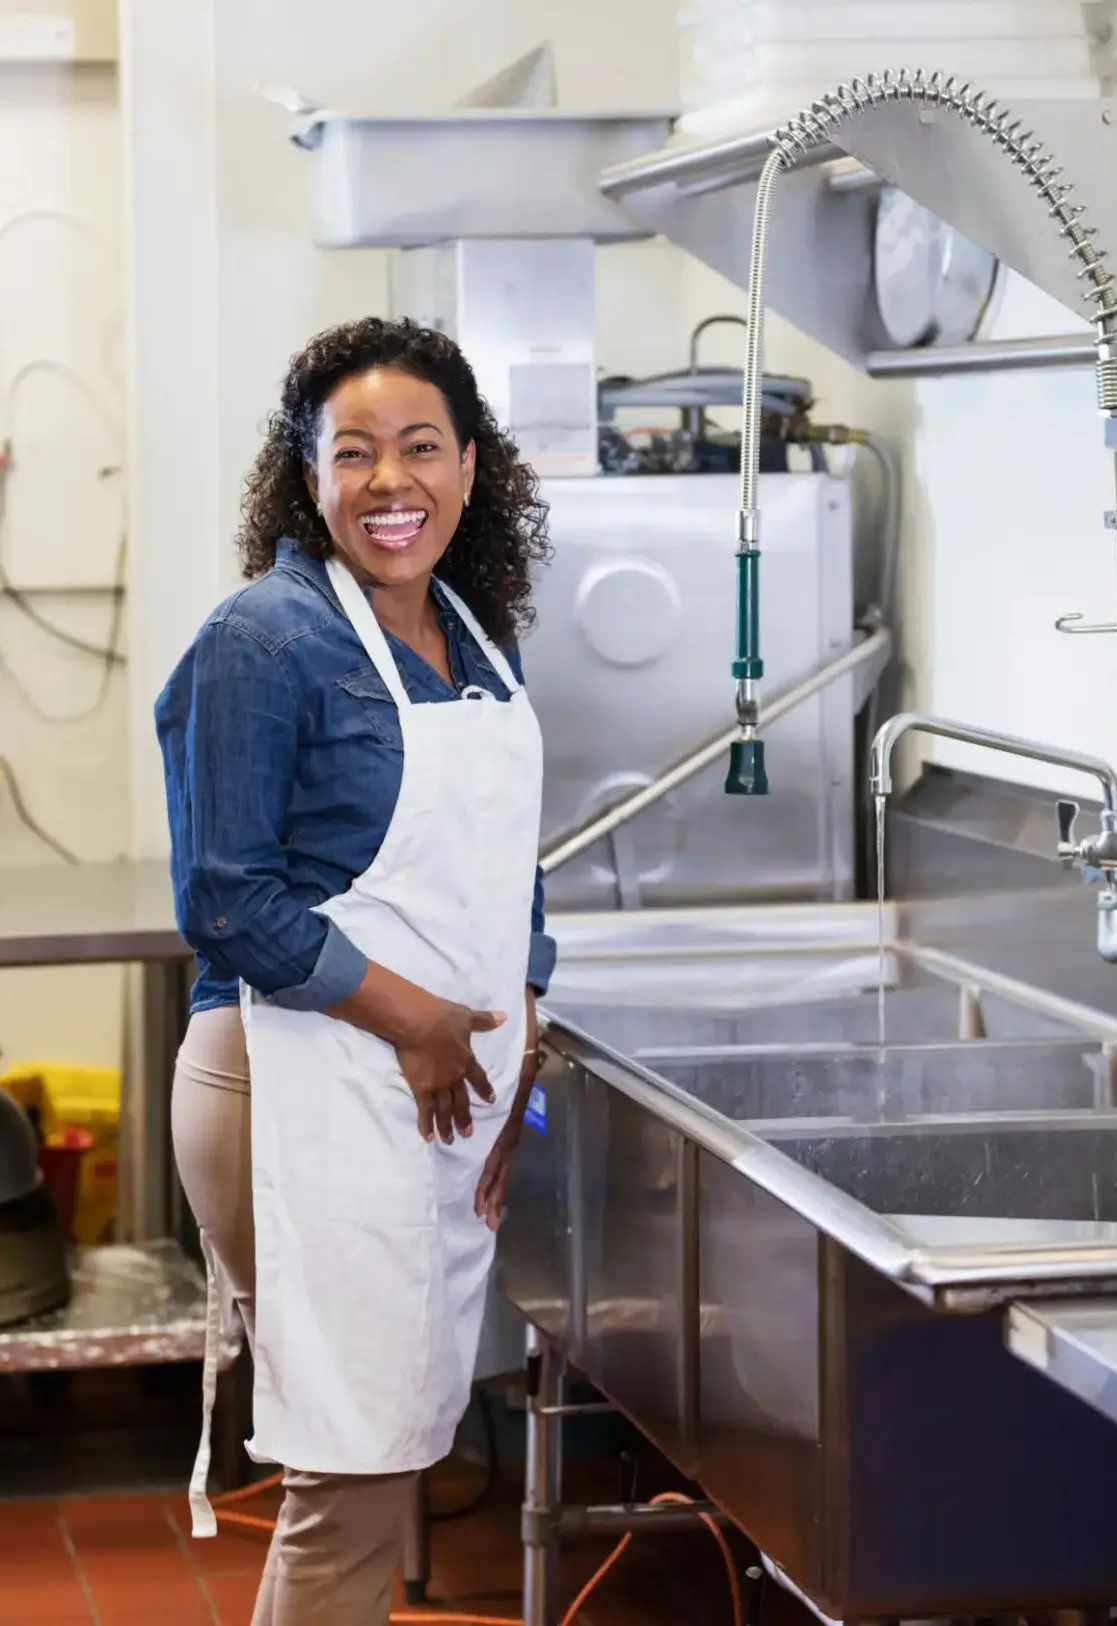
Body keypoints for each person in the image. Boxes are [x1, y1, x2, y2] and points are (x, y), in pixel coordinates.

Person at [157, 316, 556, 1626]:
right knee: (354, 1474)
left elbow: (509, 866)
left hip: (436, 1089)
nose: (393, 482)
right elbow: (228, 896)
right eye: (356, 453)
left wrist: (518, 1032)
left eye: (422, 447)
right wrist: (421, 1024)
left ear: (473, 465)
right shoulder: (264, 640)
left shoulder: (473, 629)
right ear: (309, 473)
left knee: (395, 1450)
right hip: (295, 1081)